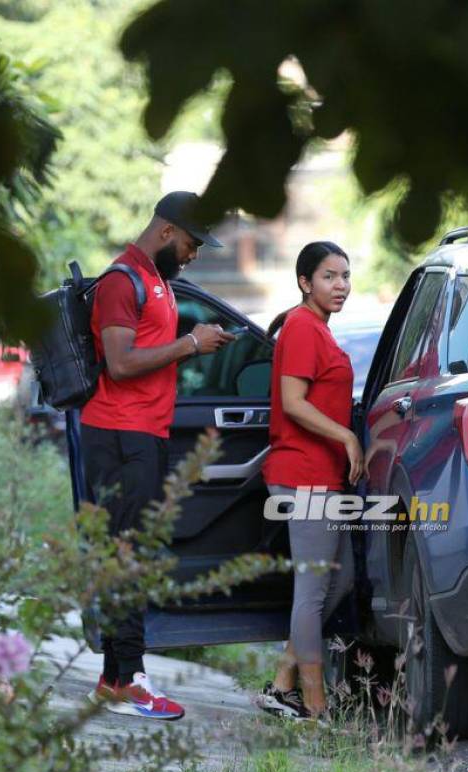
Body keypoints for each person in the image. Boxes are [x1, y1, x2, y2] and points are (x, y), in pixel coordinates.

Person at [84, 191, 234, 721]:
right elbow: (121, 364)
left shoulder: (157, 281)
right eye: (193, 243)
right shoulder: (121, 281)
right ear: (167, 231)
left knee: (128, 553)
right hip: (120, 436)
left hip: (143, 433)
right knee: (130, 557)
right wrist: (191, 344)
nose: (195, 254)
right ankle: (131, 682)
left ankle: (110, 678)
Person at [256, 241, 362, 720]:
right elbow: (293, 403)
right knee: (314, 591)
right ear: (305, 282)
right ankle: (315, 708)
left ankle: (282, 684)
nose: (340, 285)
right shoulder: (301, 327)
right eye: (329, 276)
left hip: (323, 478)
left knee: (338, 584)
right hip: (303, 477)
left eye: (344, 276)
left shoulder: (316, 328)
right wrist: (347, 437)